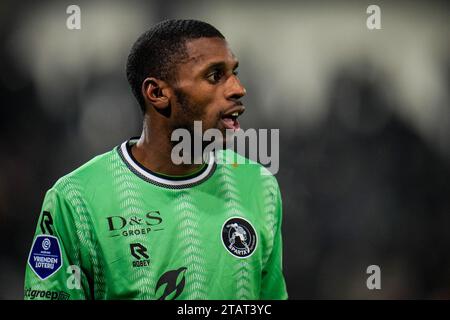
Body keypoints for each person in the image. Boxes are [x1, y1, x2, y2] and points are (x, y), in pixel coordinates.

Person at [24, 19, 287, 300]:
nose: (238, 88)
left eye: (234, 72)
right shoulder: (76, 199)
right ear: (158, 93)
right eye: (215, 76)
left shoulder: (259, 185)